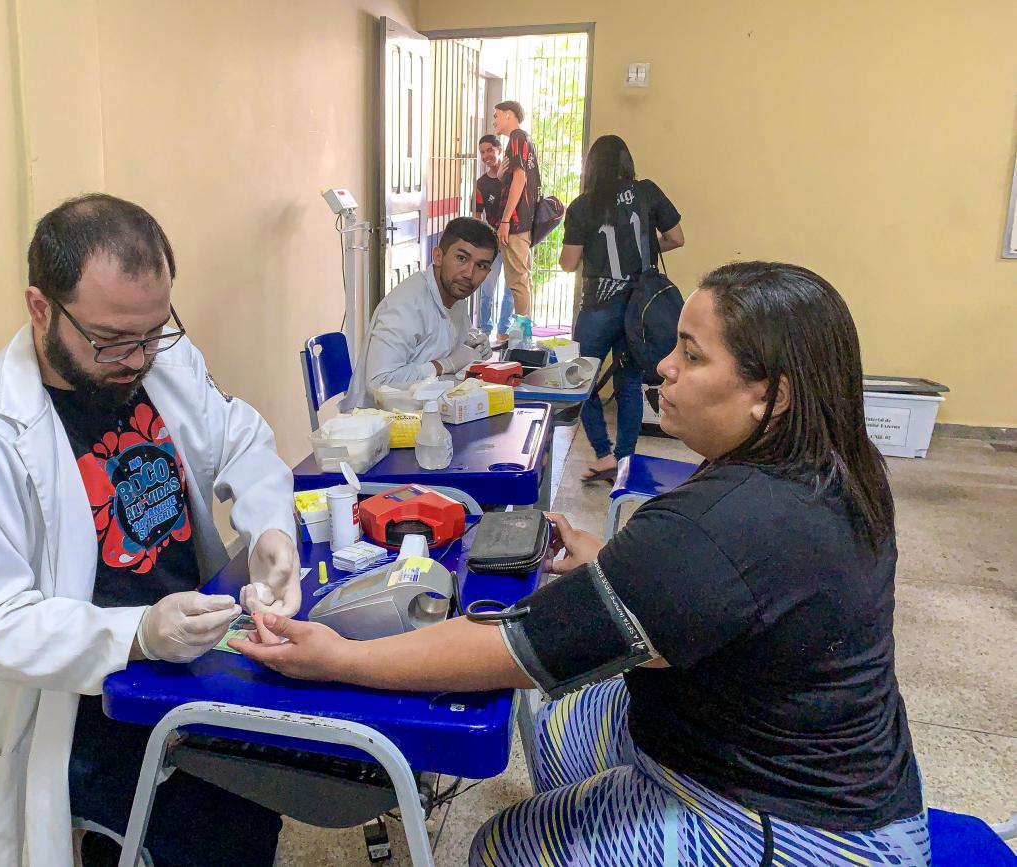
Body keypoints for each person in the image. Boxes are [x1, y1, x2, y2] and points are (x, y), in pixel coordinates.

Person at [235, 261, 931, 867]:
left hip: (803, 827)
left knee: (501, 844)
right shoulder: (833, 470)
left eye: (691, 355)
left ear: (770, 394)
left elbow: (510, 647)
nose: (664, 366)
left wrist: (338, 658)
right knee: (553, 729)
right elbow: (738, 597)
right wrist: (615, 568)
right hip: (821, 762)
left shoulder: (719, 525)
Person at [0, 194, 299, 867]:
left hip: (190, 656)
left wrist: (270, 528)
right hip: (79, 701)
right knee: (221, 822)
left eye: (153, 332)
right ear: (40, 309)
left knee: (295, 754)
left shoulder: (159, 360)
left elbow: (242, 439)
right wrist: (138, 633)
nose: (137, 358)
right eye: (111, 341)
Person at [560, 134, 685, 483]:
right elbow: (676, 237)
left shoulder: (583, 206)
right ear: (626, 163)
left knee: (579, 381)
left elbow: (568, 263)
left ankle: (602, 453)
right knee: (629, 383)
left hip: (599, 306)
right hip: (641, 308)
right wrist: (643, 246)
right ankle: (625, 458)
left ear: (592, 168)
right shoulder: (646, 192)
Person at [341, 216, 497, 409]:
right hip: (380, 425)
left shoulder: (456, 299)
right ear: (438, 256)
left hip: (429, 415)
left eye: (481, 265)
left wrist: (472, 342)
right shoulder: (406, 305)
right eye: (461, 258)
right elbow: (380, 382)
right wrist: (446, 364)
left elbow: (442, 338)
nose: (469, 273)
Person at [492, 100, 540, 318]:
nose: (494, 121)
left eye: (496, 116)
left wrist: (505, 221)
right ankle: (523, 331)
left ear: (509, 115)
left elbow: (520, 179)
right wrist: (502, 176)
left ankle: (523, 335)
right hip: (522, 220)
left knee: (518, 281)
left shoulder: (517, 138)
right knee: (522, 279)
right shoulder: (525, 139)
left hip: (517, 222)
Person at [473, 133, 512, 344]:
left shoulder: (511, 178)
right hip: (492, 243)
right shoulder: (481, 183)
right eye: (482, 152)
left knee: (510, 289)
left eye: (489, 150)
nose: (486, 155)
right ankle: (485, 329)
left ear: (499, 149)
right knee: (487, 287)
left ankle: (503, 330)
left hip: (512, 240)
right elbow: (477, 215)